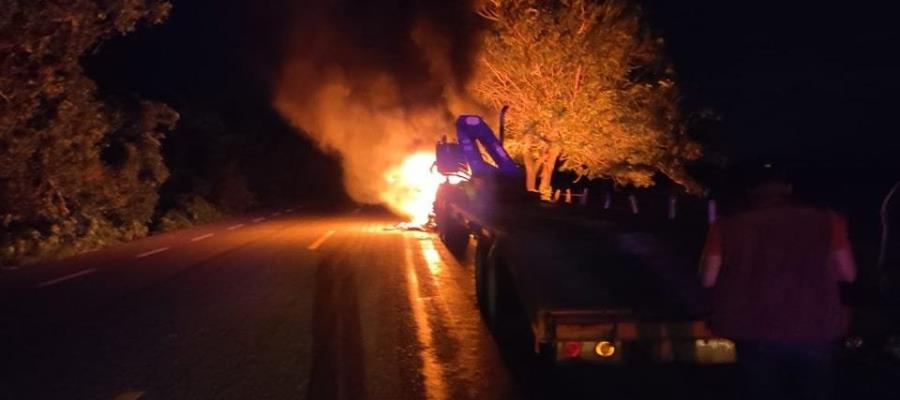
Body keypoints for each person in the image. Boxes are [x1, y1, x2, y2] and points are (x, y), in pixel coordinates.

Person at [699, 164, 857, 400]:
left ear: (750, 190)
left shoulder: (726, 226)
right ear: (788, 188)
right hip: (816, 324)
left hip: (752, 327)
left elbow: (708, 279)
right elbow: (848, 274)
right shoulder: (827, 220)